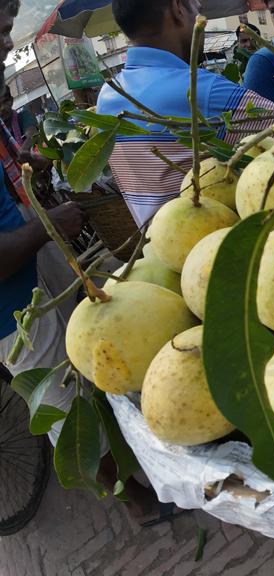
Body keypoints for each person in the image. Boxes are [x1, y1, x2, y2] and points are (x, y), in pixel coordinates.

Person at [0, 0, 173, 526]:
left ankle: (137, 452)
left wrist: (29, 163)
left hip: (38, 260)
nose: (8, 45)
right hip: (11, 304)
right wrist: (48, 228)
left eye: (8, 30)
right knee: (62, 403)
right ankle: (137, 505)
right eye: (0, 32)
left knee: (93, 360)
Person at [98, 0, 274, 227]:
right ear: (178, 8)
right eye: (197, 8)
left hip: (160, 250)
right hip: (222, 248)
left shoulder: (106, 97)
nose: (200, 13)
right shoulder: (203, 90)